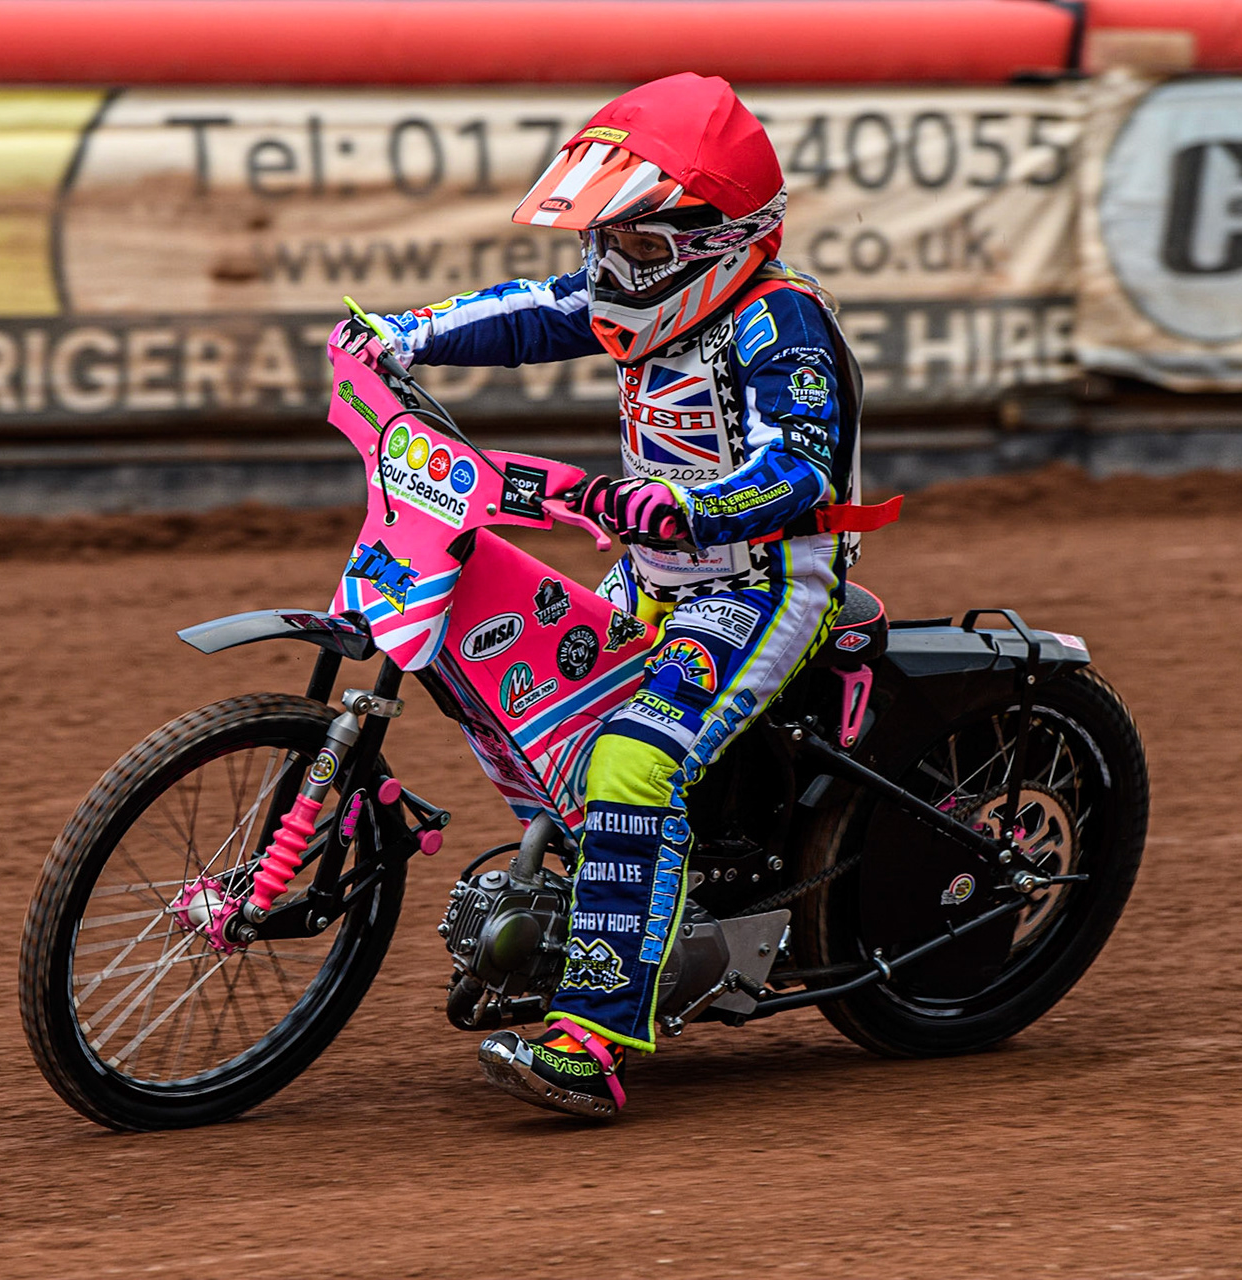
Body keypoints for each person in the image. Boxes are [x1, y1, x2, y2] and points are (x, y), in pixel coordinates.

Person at [338, 73, 864, 1118]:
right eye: (603, 243)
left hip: (760, 583)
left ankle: (597, 1035)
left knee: (631, 757)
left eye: (633, 245)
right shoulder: (644, 285)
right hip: (652, 570)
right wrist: (402, 334)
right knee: (538, 707)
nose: (609, 270)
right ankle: (603, 903)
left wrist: (687, 506)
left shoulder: (782, 324)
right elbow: (531, 314)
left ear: (716, 239)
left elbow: (802, 469)